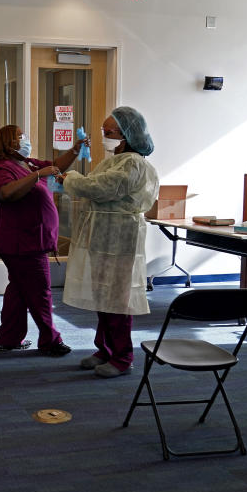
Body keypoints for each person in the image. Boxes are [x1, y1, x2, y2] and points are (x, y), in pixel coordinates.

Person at [57, 106, 160, 378]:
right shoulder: (112, 161)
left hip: (122, 238)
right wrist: (75, 181)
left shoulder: (134, 164)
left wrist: (71, 179)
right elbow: (96, 184)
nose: (104, 137)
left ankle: (123, 357)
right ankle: (104, 349)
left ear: (126, 133)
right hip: (102, 237)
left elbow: (100, 188)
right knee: (102, 296)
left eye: (109, 132)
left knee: (116, 300)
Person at [0, 124, 85, 356]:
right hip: (23, 244)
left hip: (29, 241)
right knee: (40, 292)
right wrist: (36, 176)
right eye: (21, 137)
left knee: (20, 290)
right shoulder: (4, 168)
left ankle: (8, 338)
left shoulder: (27, 163)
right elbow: (6, 192)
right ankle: (51, 340)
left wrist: (75, 150)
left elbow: (55, 167)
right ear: (9, 143)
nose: (26, 140)